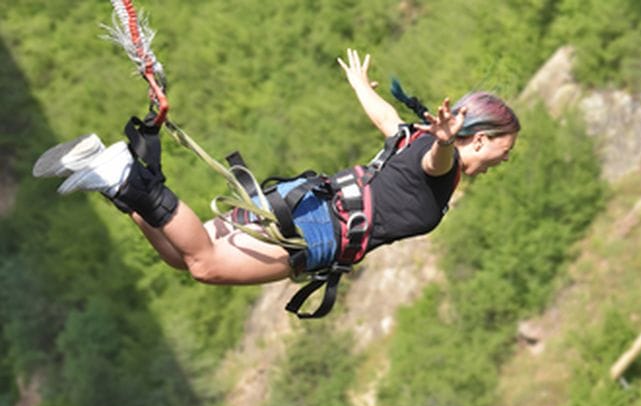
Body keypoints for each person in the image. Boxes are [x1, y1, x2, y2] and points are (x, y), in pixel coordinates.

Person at [33, 49, 520, 293]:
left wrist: (360, 86)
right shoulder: (441, 159)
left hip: (306, 201)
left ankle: (117, 182)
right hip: (316, 229)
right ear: (480, 139)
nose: (504, 160)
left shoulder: (413, 135)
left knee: (184, 257)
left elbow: (386, 120)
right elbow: (439, 161)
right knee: (204, 264)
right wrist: (441, 143)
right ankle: (125, 175)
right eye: (505, 150)